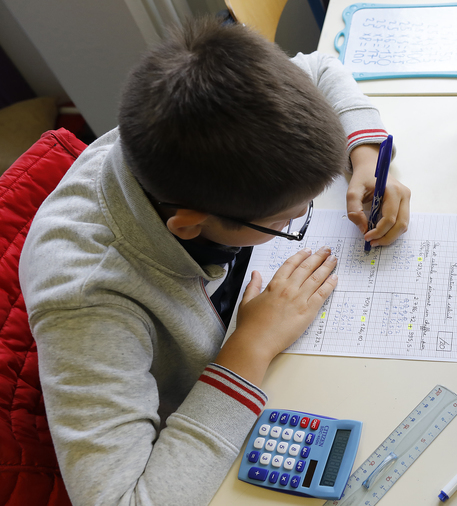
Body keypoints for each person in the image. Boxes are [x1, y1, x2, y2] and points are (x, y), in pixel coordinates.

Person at [19, 17, 410, 505]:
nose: (296, 225)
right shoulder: (89, 301)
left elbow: (320, 66)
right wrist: (250, 345)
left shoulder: (187, 123)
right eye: (284, 222)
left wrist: (368, 155)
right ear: (187, 225)